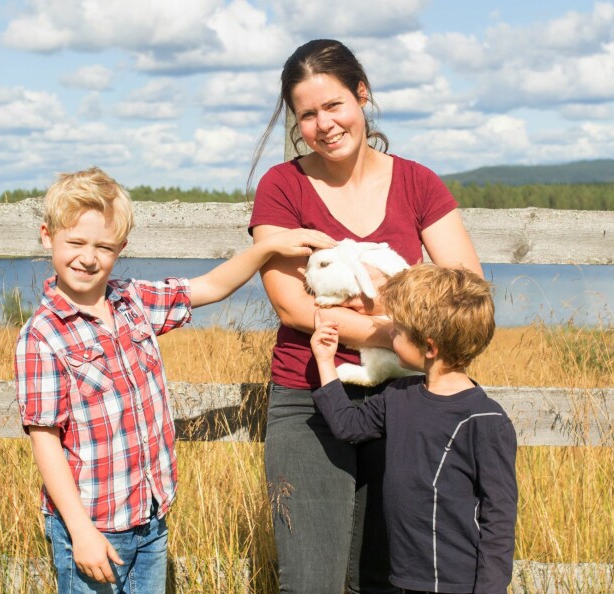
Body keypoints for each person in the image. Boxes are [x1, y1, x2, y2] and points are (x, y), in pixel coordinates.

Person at [15, 166, 335, 594]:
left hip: (150, 516)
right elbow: (46, 440)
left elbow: (209, 287)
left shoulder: (132, 301)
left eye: (103, 246)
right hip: (93, 525)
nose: (88, 257)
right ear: (47, 236)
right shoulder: (42, 335)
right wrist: (80, 531)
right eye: (75, 242)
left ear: (120, 248)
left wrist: (269, 247)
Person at [248, 39, 483, 593]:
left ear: (363, 95)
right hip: (309, 399)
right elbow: (291, 304)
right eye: (307, 114)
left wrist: (390, 328)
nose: (323, 124)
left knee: (390, 577)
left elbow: (468, 294)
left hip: (405, 401)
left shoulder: (417, 182)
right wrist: (393, 327)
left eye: (334, 106)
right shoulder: (282, 187)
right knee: (314, 581)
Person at [310, 264, 518, 594]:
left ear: (430, 347)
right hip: (402, 578)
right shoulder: (398, 395)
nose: (389, 333)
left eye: (398, 330)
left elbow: (499, 515)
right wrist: (324, 361)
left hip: (458, 584)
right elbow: (348, 426)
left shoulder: (485, 420)